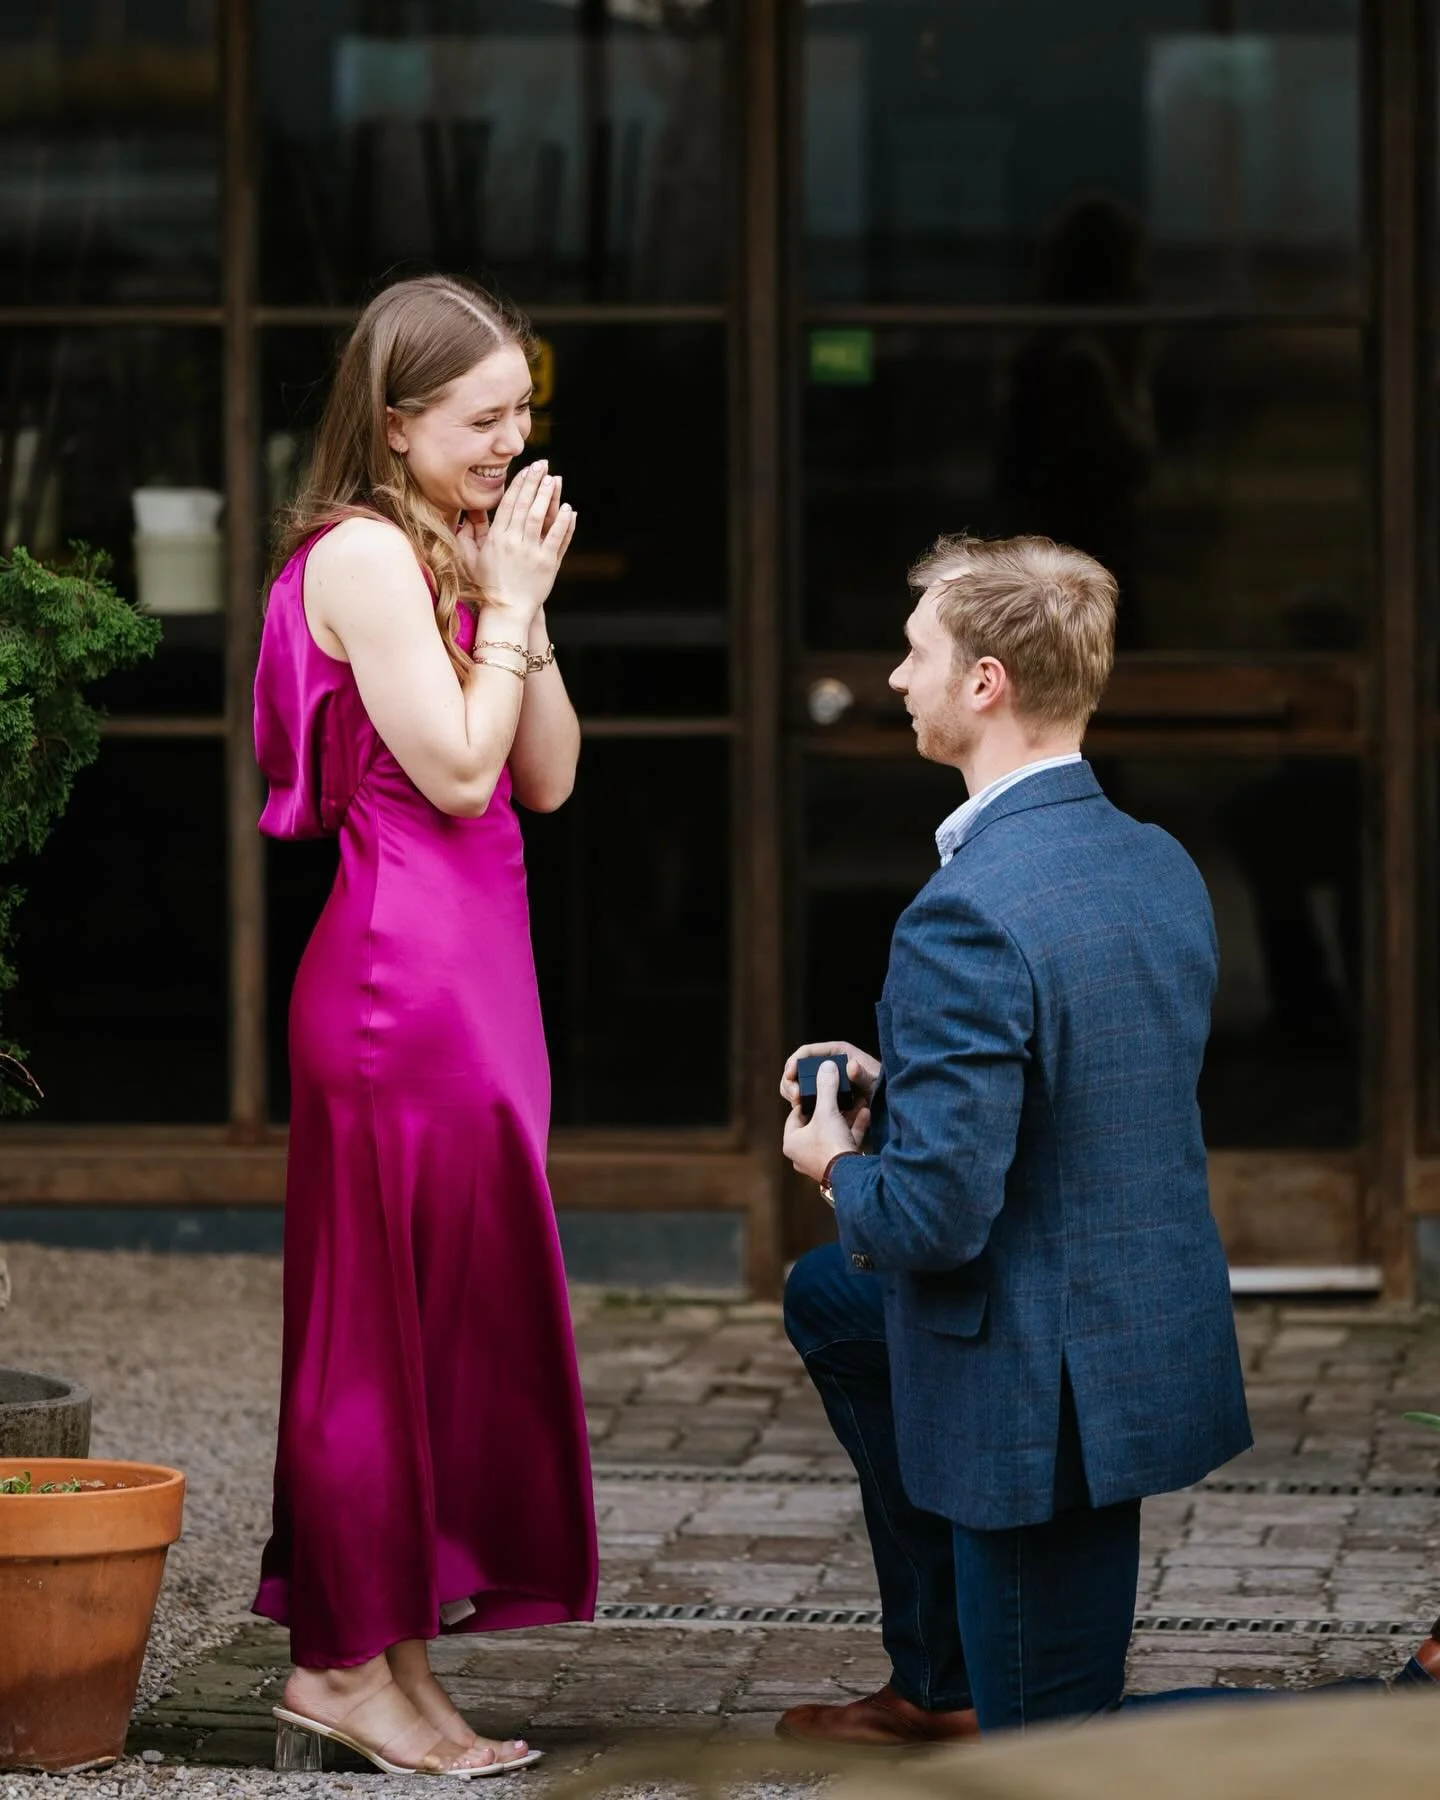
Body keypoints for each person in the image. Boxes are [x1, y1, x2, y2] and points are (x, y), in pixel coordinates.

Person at [775, 533, 1252, 1741]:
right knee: (834, 1297)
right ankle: (938, 1676)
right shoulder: (1155, 861)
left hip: (1034, 1385)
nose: (895, 677)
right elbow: (1084, 1082)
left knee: (1054, 1746)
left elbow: (933, 1220)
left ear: (984, 682)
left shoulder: (967, 911)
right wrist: (912, 1081)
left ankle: (981, 1699)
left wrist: (835, 1161)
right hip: (1132, 1321)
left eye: (915, 651)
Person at [251, 274, 596, 1777]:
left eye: (520, 412)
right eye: (480, 417)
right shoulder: (366, 559)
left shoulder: (449, 554)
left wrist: (521, 611)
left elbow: (548, 778)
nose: (510, 442)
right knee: (370, 1348)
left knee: (437, 1334)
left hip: (473, 987)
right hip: (400, 987)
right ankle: (337, 1663)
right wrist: (501, 610)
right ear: (396, 421)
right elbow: (457, 774)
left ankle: (397, 1665)